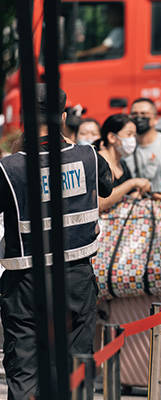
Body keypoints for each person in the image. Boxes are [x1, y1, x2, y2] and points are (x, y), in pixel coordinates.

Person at [0, 83, 113, 399]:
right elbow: (106, 186)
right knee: (75, 367)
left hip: (25, 281)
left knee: (24, 370)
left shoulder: (10, 168)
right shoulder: (89, 156)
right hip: (76, 277)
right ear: (63, 115)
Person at [96, 114, 151, 211]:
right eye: (129, 134)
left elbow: (132, 196)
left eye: (134, 135)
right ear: (112, 137)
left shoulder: (123, 164)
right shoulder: (98, 162)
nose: (132, 140)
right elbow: (100, 203)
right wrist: (132, 183)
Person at [123, 97, 161, 190]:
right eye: (134, 114)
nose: (138, 118)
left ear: (155, 119)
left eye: (143, 114)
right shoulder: (125, 145)